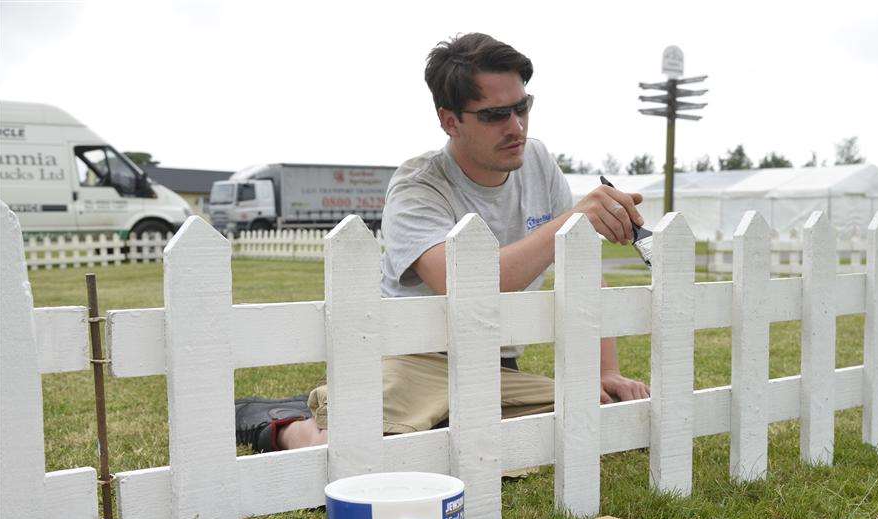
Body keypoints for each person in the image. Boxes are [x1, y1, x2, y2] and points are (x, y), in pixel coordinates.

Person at [236, 32, 649, 453]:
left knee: (589, 407)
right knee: (361, 452)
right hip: (412, 359)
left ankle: (393, 414)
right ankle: (280, 423)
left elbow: (583, 273)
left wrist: (605, 371)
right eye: (495, 115)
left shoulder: (539, 162)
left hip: (493, 366)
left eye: (522, 107)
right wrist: (567, 222)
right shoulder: (418, 186)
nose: (516, 127)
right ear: (450, 121)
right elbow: (463, 285)